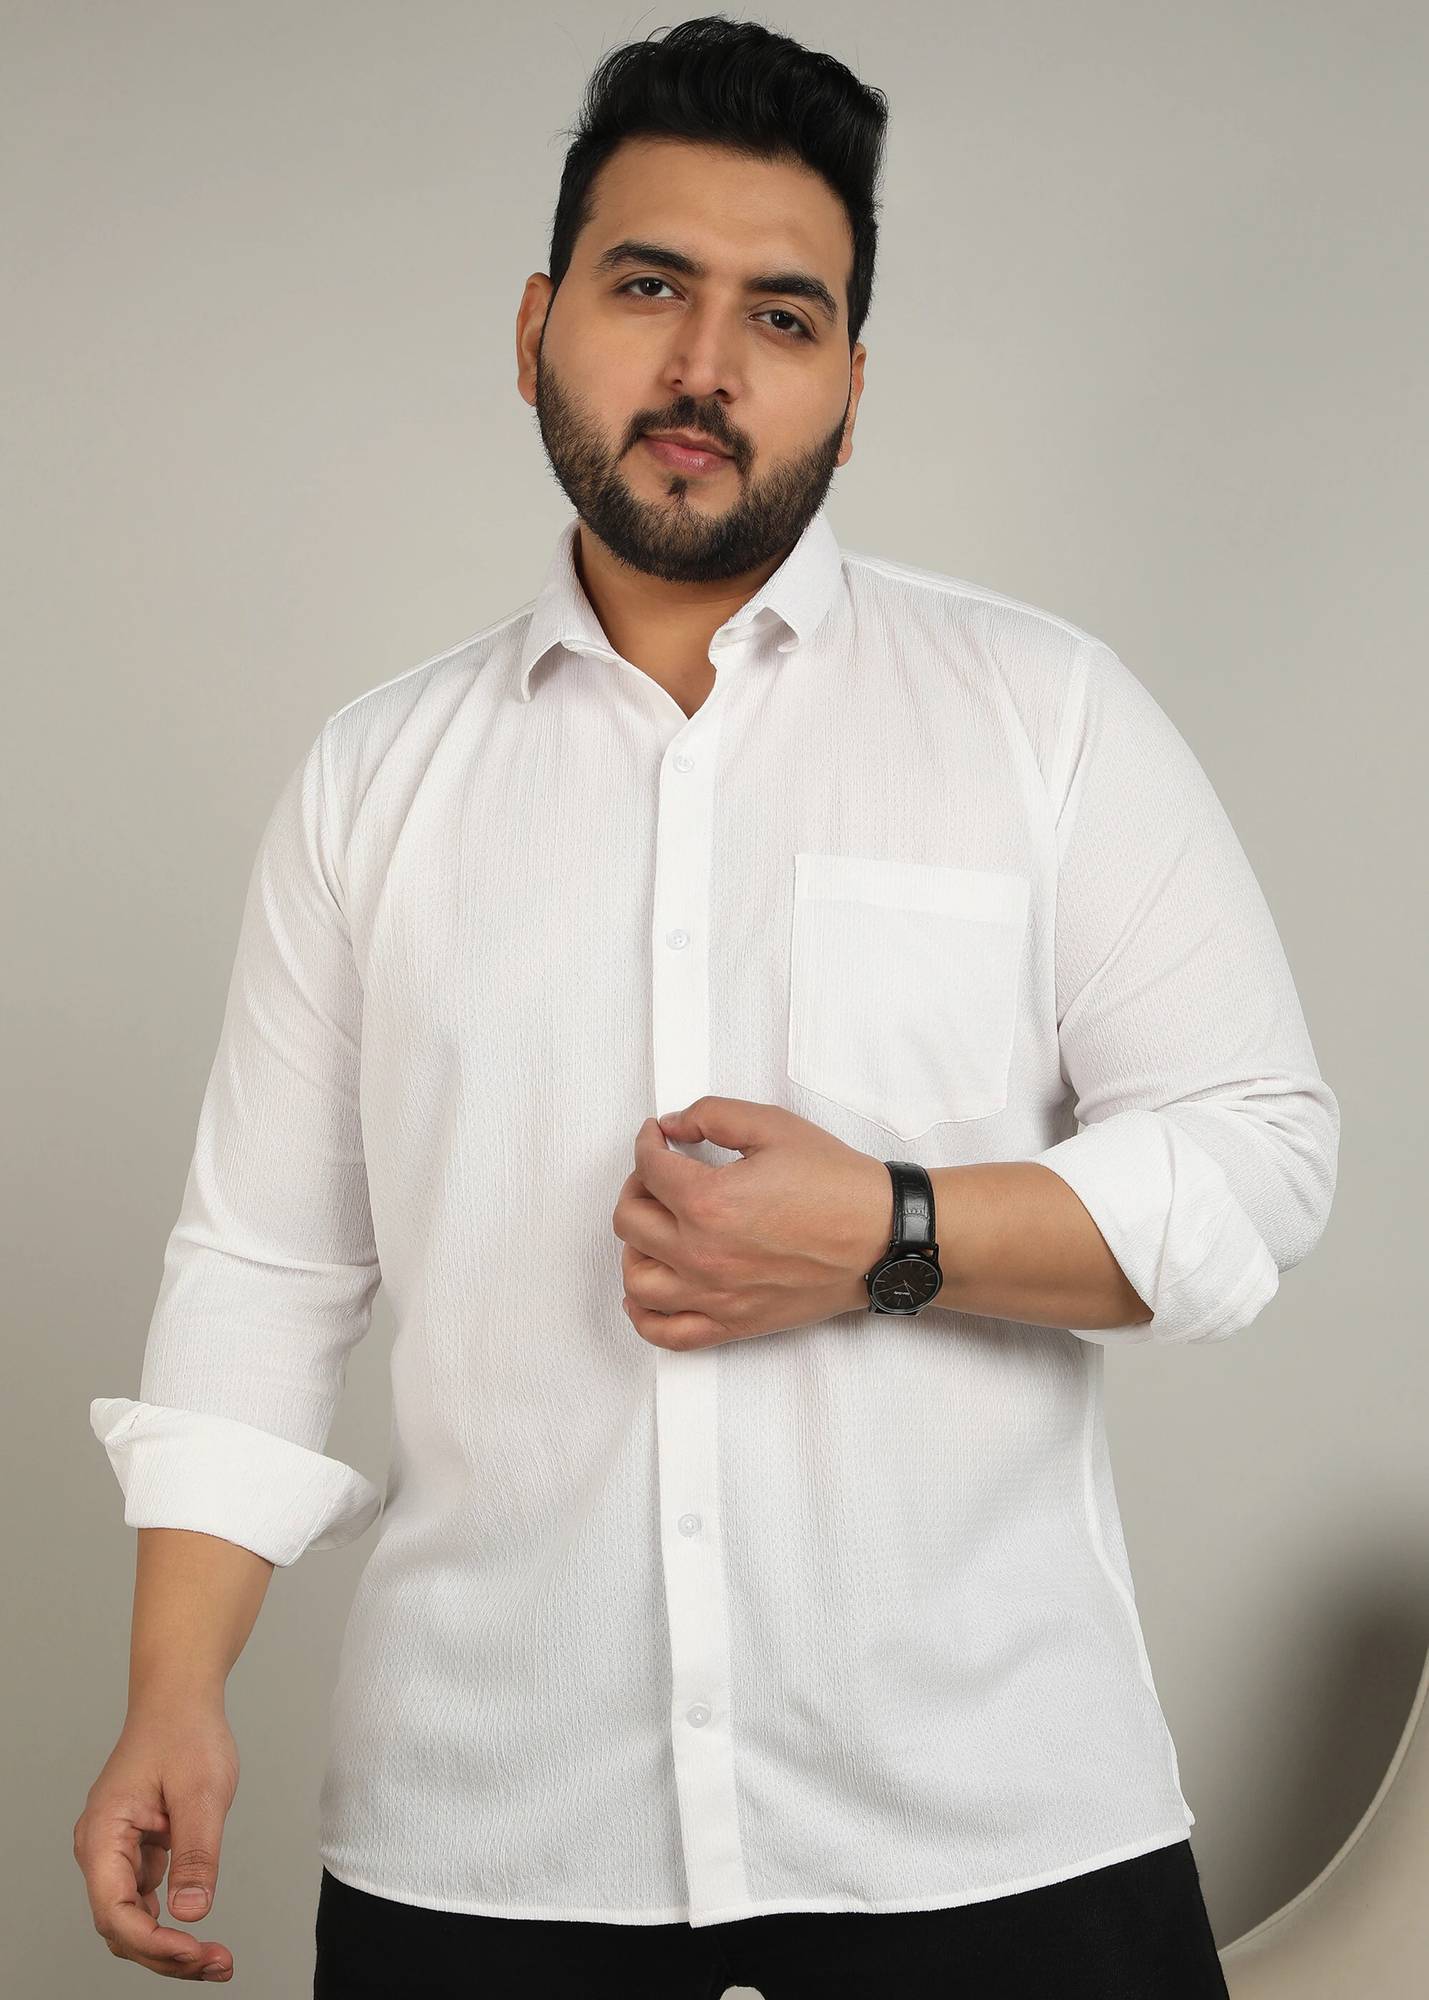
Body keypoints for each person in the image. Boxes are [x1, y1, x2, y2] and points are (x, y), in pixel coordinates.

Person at [74, 15, 1338, 1996]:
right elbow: (264, 1265)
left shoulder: (1044, 717)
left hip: (994, 1842)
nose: (705, 366)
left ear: (850, 382)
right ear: (536, 326)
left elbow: (1258, 1156)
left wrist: (892, 1229)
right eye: (649, 286)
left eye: (782, 314)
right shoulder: (372, 780)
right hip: (489, 1853)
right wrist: (174, 1689)